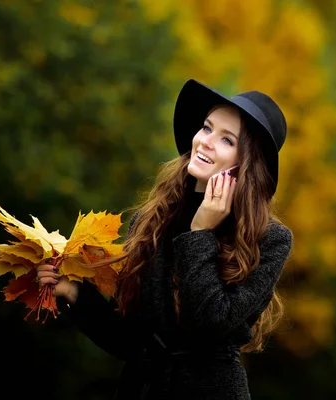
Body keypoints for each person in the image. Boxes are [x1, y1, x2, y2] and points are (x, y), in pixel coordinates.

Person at [37, 79, 293, 400]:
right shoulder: (155, 220)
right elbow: (130, 340)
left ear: (248, 164)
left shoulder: (268, 239)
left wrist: (200, 232)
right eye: (206, 128)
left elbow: (212, 323)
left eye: (226, 139)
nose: (205, 142)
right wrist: (75, 292)